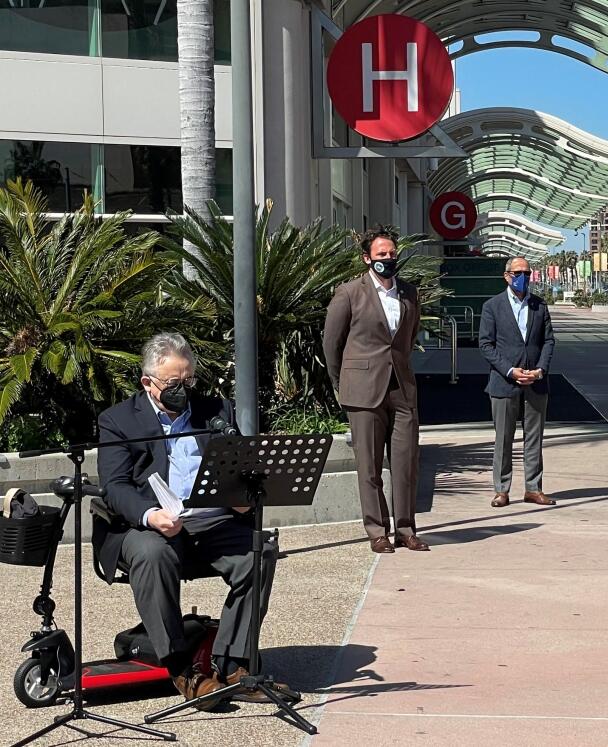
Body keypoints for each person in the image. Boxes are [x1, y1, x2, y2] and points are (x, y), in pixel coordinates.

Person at [96, 333, 291, 707]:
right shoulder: (118, 420)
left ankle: (234, 664)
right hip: (148, 525)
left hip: (209, 520)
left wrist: (242, 501)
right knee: (154, 554)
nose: (183, 389)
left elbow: (241, 469)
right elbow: (114, 487)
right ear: (147, 383)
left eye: (189, 380)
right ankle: (182, 667)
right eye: (173, 383)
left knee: (259, 551)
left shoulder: (216, 411)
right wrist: (151, 515)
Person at [323, 226, 427, 553]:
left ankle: (406, 529)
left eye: (392, 254)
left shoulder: (409, 293)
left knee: (406, 462)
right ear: (367, 258)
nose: (388, 259)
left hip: (402, 388)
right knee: (369, 466)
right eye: (381, 254)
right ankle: (376, 530)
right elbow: (331, 344)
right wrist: (343, 384)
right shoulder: (349, 293)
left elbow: (408, 339)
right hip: (363, 391)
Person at [479, 257, 557, 508]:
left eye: (526, 272)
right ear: (507, 276)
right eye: (517, 272)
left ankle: (533, 488)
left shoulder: (539, 306)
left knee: (534, 437)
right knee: (503, 438)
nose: (522, 276)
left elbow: (548, 341)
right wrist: (510, 370)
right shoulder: (493, 306)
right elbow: (486, 344)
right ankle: (502, 490)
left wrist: (540, 370)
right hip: (504, 382)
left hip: (535, 382)